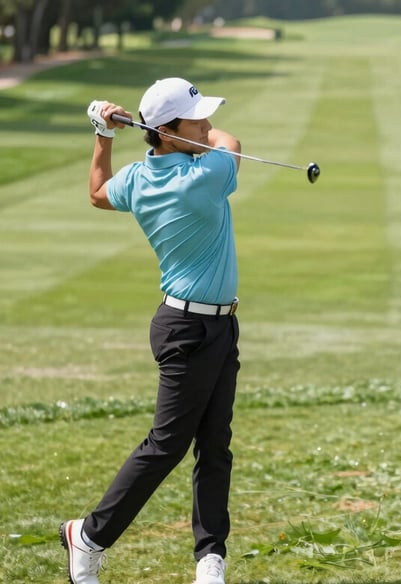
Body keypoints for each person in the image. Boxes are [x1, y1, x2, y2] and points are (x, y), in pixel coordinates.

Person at [60, 77, 243, 584]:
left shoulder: (140, 179)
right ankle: (89, 537)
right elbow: (232, 144)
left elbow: (98, 193)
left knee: (215, 443)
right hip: (188, 328)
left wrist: (104, 134)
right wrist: (203, 138)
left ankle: (211, 558)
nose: (206, 124)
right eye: (196, 118)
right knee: (167, 444)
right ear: (164, 131)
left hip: (216, 324)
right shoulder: (205, 174)